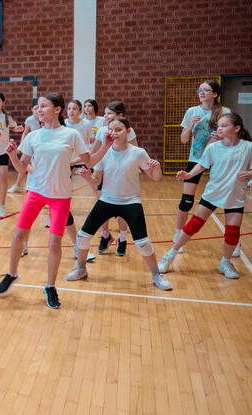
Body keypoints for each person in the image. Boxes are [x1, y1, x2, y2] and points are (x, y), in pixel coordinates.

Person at [0, 93, 92, 309]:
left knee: (54, 242)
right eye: (38, 107)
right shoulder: (33, 136)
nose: (38, 110)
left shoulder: (71, 135)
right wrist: (12, 156)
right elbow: (22, 169)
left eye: (43, 106)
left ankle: (50, 286)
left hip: (60, 196)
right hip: (35, 191)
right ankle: (12, 273)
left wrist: (104, 146)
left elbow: (90, 160)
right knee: (19, 234)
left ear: (57, 109)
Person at [66, 117, 171, 290]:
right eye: (111, 130)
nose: (114, 133)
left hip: (131, 202)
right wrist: (87, 178)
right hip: (107, 200)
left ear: (128, 131)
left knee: (143, 243)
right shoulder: (103, 153)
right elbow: (95, 183)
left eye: (119, 129)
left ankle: (156, 275)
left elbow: (155, 178)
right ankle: (81, 269)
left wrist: (157, 169)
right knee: (83, 236)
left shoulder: (138, 152)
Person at [159, 113, 252, 279]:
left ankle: (225, 262)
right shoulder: (213, 147)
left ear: (236, 128)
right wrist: (188, 175)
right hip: (213, 193)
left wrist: (250, 173)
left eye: (224, 125)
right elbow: (201, 165)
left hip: (235, 196)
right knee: (193, 225)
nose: (219, 128)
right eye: (219, 126)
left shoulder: (248, 147)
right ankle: (170, 255)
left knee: (232, 232)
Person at [175, 80, 229, 249]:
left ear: (215, 94)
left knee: (228, 200)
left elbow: (232, 137)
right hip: (197, 158)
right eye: (200, 90)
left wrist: (221, 136)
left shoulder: (224, 112)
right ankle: (178, 235)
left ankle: (232, 239)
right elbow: (184, 140)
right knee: (186, 200)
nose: (202, 92)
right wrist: (191, 125)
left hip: (218, 159)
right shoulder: (192, 111)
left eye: (206, 90)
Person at [90, 100, 137, 255]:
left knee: (121, 210)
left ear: (120, 115)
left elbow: (135, 152)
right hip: (104, 171)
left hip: (121, 173)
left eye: (109, 113)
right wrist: (76, 160)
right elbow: (93, 152)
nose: (105, 115)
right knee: (102, 204)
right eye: (104, 113)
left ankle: (122, 238)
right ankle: (105, 236)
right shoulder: (102, 130)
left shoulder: (127, 132)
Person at [9, 99, 40, 194]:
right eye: (35, 108)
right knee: (24, 165)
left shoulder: (44, 118)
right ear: (32, 109)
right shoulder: (30, 120)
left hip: (41, 147)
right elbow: (25, 133)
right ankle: (18, 185)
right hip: (31, 146)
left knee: (33, 167)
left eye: (39, 108)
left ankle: (29, 186)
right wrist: (22, 146)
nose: (37, 110)